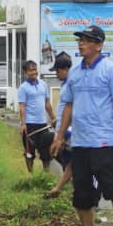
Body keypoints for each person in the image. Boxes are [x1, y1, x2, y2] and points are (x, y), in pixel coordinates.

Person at [50, 25, 113, 226]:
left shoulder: (110, 70)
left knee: (112, 188)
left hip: (105, 141)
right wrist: (59, 136)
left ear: (98, 45)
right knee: (82, 193)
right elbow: (68, 105)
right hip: (80, 142)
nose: (81, 44)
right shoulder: (75, 74)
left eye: (87, 40)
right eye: (80, 40)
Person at [17, 59, 56, 172]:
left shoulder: (43, 84)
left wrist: (53, 117)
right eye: (30, 70)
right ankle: (31, 175)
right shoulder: (23, 88)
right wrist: (23, 124)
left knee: (45, 151)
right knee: (30, 152)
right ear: (25, 73)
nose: (34, 72)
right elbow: (22, 106)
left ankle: (46, 174)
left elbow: (47, 104)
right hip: (29, 125)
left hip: (42, 124)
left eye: (35, 69)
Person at [46, 53, 75, 198]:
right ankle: (62, 187)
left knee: (73, 161)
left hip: (71, 129)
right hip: (64, 127)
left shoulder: (73, 83)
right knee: (72, 161)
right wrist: (57, 120)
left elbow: (70, 109)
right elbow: (63, 108)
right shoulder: (65, 84)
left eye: (58, 71)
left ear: (66, 69)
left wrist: (60, 134)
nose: (56, 74)